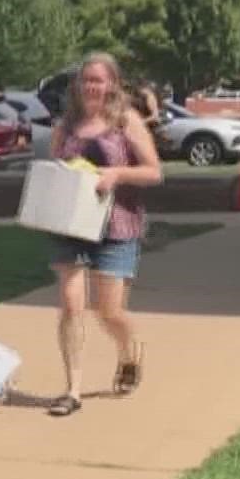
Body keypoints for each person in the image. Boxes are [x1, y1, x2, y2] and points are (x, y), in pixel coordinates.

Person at [44, 52, 165, 418]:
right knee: (71, 303)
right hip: (71, 226)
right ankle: (72, 389)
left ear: (112, 84)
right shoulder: (65, 126)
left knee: (108, 311)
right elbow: (55, 169)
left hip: (117, 225)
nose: (92, 87)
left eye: (99, 80)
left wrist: (116, 175)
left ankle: (131, 350)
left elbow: (153, 172)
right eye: (86, 80)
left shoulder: (125, 121)